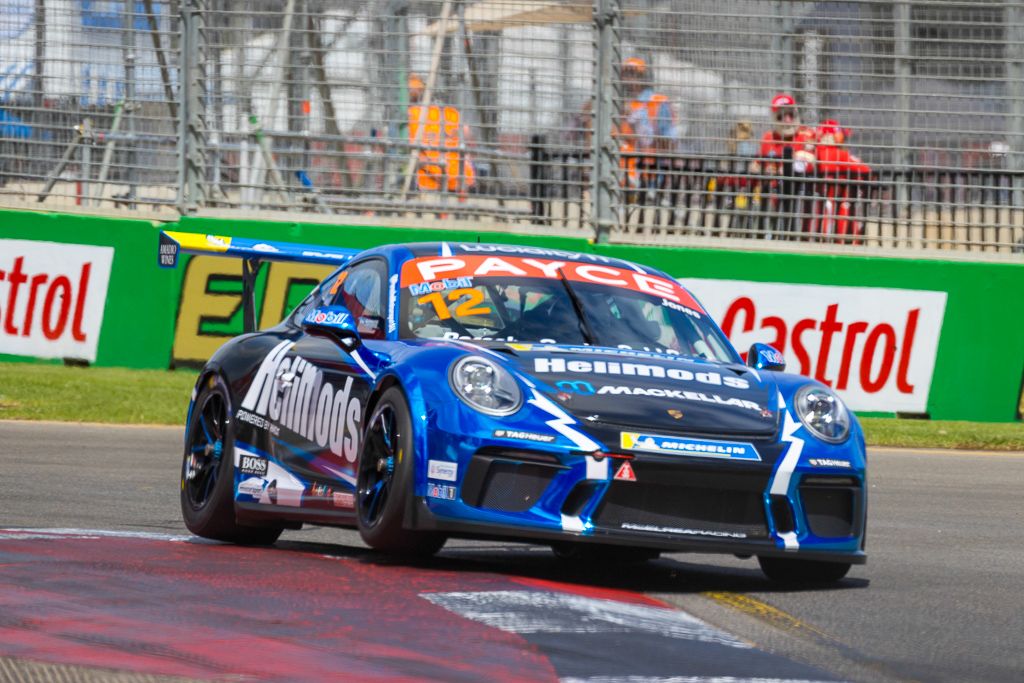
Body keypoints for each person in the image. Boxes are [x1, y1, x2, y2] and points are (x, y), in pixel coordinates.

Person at [407, 74, 475, 196]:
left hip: (430, 182)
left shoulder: (411, 116)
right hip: (461, 179)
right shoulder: (450, 113)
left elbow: (410, 152)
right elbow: (468, 136)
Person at [619, 57, 680, 189]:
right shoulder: (616, 102)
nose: (629, 79)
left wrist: (644, 133)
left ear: (644, 77)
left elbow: (670, 141)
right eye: (626, 74)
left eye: (634, 74)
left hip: (649, 175)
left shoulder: (658, 102)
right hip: (620, 175)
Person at [755, 92, 816, 177]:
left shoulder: (807, 135)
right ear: (774, 118)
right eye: (781, 116)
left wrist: (790, 168)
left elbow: (812, 164)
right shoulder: (768, 138)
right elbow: (756, 166)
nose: (788, 120)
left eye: (791, 115)